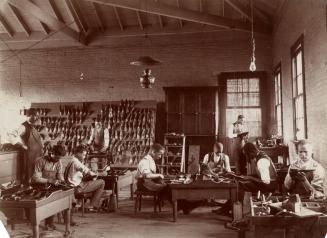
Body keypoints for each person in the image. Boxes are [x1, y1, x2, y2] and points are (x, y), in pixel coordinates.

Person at [135, 143, 202, 214]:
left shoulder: (151, 160)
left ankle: (183, 206)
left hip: (149, 183)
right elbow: (146, 175)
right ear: (153, 152)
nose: (160, 156)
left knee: (169, 186)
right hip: (144, 185)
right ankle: (185, 206)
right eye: (159, 154)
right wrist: (159, 175)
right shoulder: (145, 161)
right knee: (168, 188)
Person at [32, 144, 66, 230]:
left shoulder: (59, 162)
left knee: (58, 195)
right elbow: (36, 178)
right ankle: (41, 222)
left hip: (50, 185)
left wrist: (62, 181)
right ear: (51, 153)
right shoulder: (40, 161)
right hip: (38, 185)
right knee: (48, 197)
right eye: (56, 157)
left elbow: (59, 175)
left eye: (59, 158)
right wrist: (49, 180)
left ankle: (49, 222)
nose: (58, 160)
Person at [65, 144, 105, 212]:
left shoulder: (72, 160)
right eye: (83, 155)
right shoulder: (76, 162)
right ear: (78, 153)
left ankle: (81, 204)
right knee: (101, 182)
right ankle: (91, 206)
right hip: (76, 188)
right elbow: (86, 170)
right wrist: (97, 174)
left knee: (91, 182)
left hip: (72, 186)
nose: (84, 157)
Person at [16, 108, 43, 185]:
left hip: (36, 156)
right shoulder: (23, 126)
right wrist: (22, 145)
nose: (37, 118)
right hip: (29, 155)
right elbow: (12, 136)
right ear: (31, 115)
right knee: (28, 173)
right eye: (36, 116)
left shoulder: (33, 126)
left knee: (35, 174)